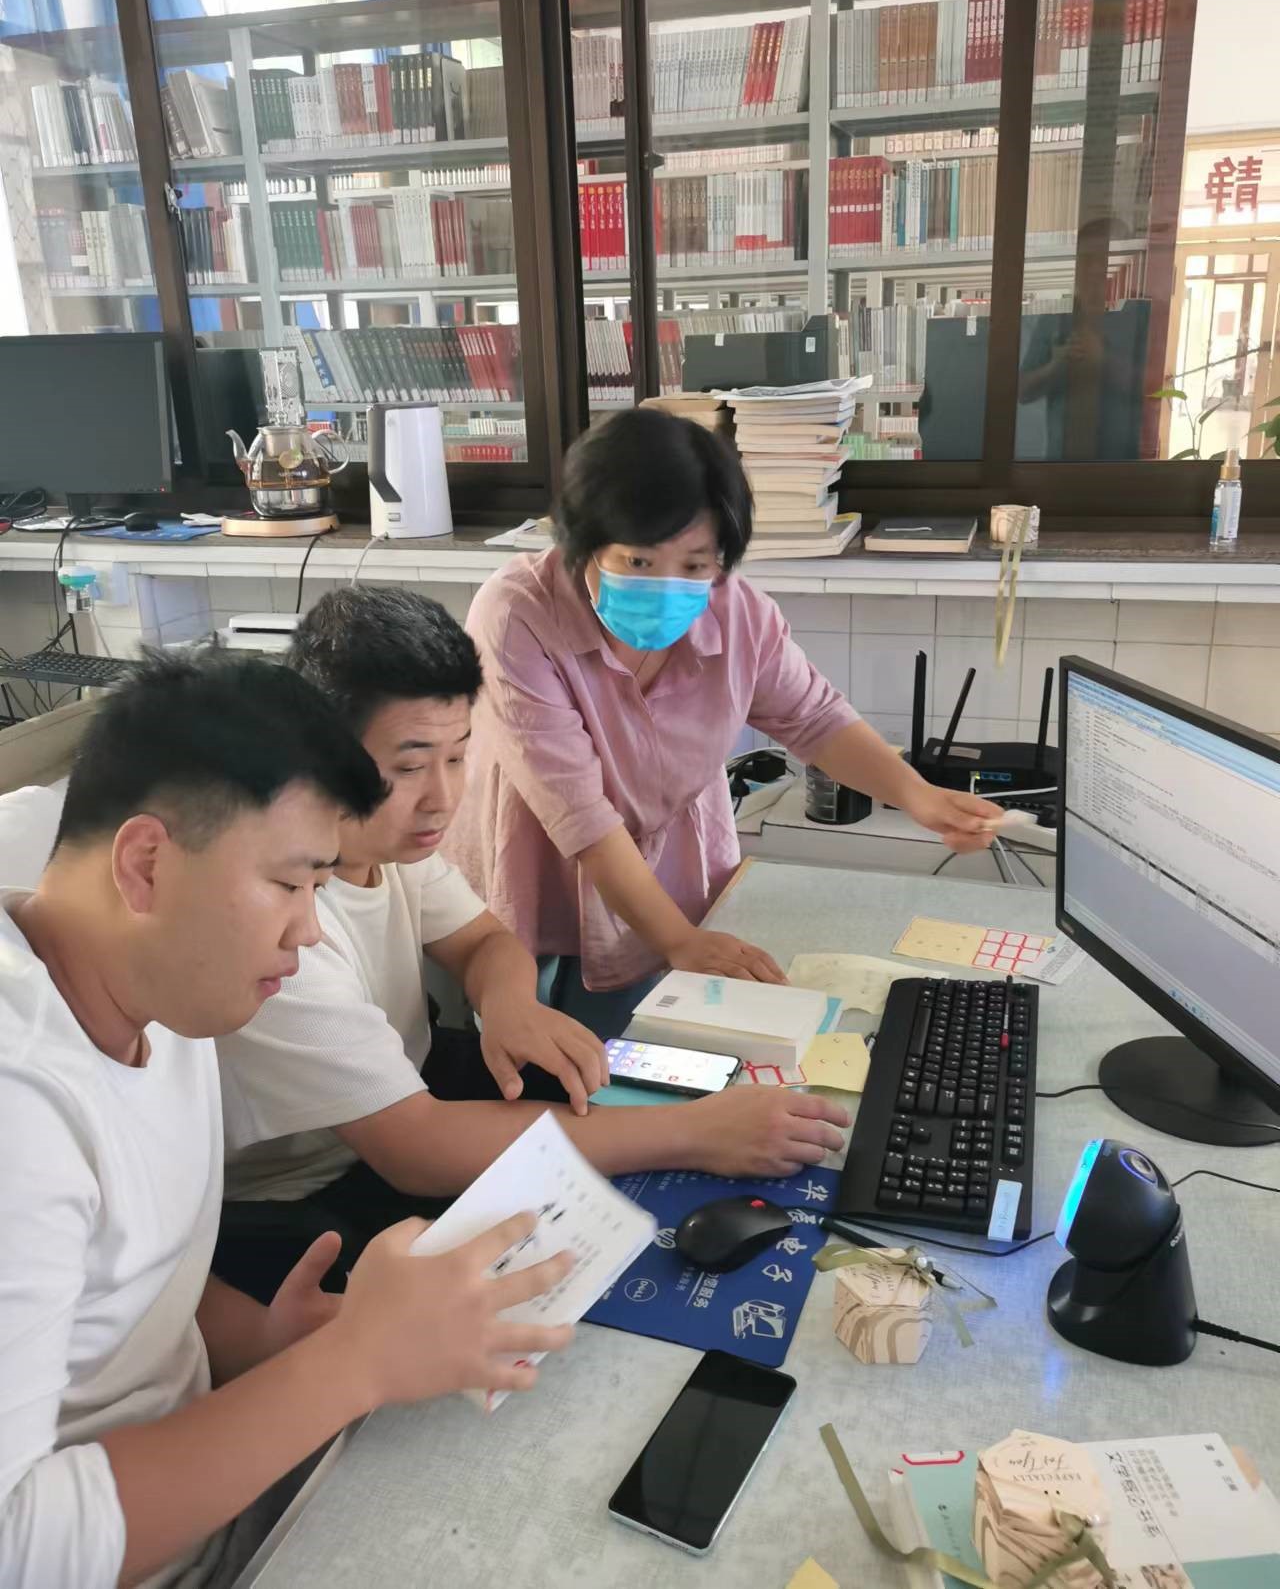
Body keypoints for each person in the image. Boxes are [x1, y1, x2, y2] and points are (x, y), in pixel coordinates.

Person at [0, 651, 574, 1589]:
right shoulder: (19, 1108)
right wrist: (355, 1362)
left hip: (227, 1489)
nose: (308, 931)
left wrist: (262, 1344)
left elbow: (128, 1294)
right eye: (291, 883)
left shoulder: (163, 994)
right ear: (146, 865)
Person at [213, 586, 850, 1302]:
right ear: (321, 755)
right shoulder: (281, 926)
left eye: (459, 757)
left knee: (629, 1093)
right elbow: (415, 1150)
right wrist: (696, 1133)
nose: (442, 798)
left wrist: (509, 1003)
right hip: (305, 1193)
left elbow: (483, 940)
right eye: (410, 767)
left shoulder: (390, 845)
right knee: (578, 1259)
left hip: (409, 1091)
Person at [446, 408, 1002, 1035]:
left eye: (695, 565)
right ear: (585, 543)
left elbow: (814, 717)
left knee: (672, 1041)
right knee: (557, 1045)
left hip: (670, 871)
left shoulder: (738, 613)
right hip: (547, 863)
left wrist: (919, 796)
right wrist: (678, 940)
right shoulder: (516, 615)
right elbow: (581, 816)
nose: (668, 587)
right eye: (638, 562)